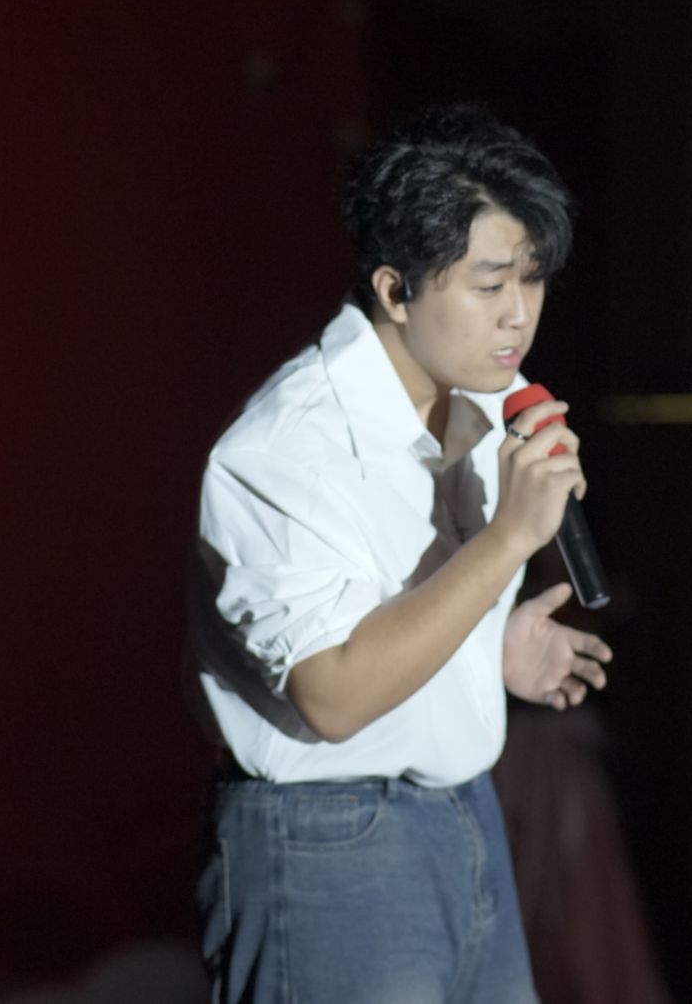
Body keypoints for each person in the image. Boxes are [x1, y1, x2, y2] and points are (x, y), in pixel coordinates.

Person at [187, 105, 614, 1004]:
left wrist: (484, 651)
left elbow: (405, 613)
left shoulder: (488, 398)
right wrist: (507, 541)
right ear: (395, 288)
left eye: (533, 279)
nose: (519, 315)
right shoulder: (287, 446)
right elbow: (334, 694)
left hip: (468, 815)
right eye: (489, 284)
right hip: (329, 843)